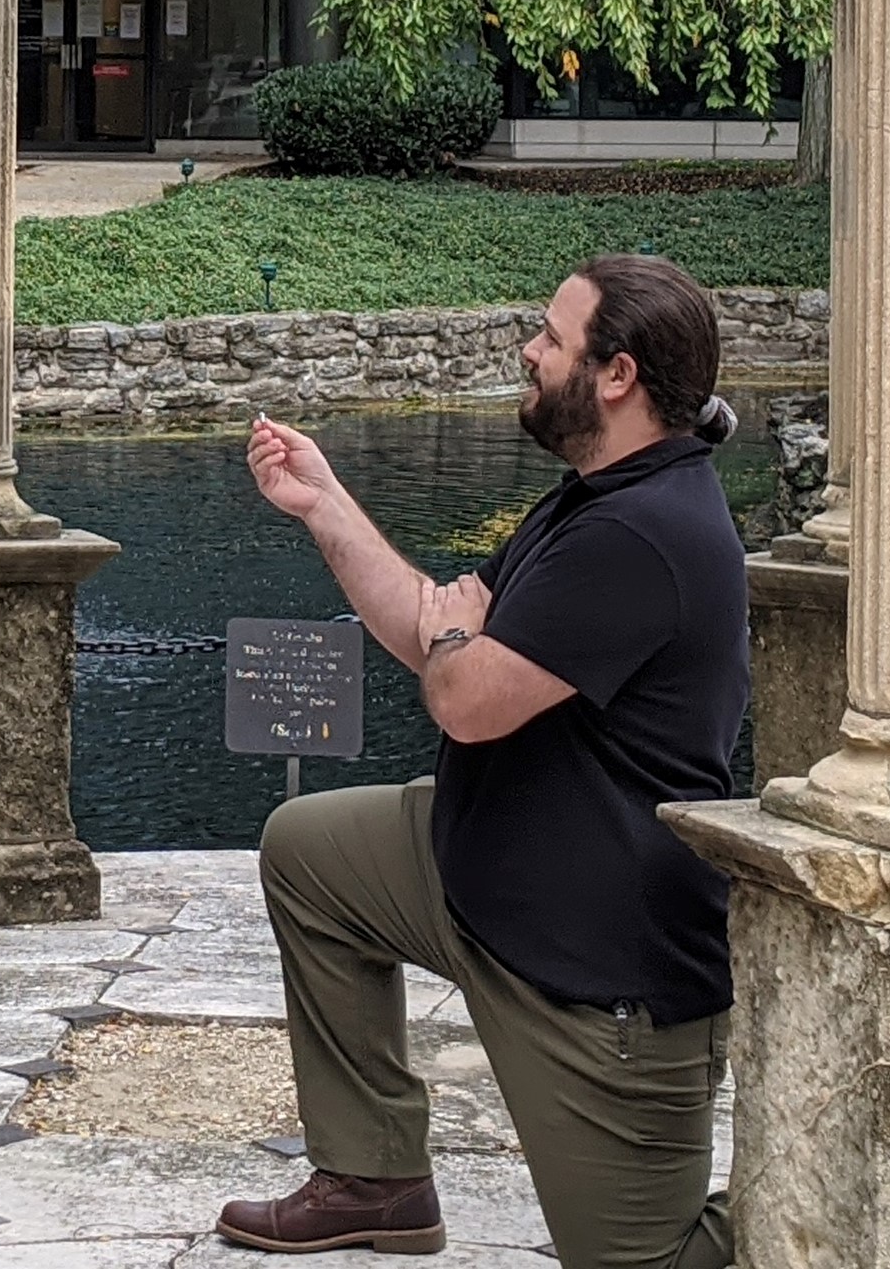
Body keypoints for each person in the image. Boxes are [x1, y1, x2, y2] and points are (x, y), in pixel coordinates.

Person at [217, 253, 748, 1269]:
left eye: (550, 337)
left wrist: (458, 640)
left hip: (593, 965)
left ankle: (855, 1211)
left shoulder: (645, 533)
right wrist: (324, 503)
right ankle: (374, 1178)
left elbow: (462, 697)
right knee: (309, 852)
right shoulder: (594, 495)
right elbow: (439, 631)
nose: (528, 350)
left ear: (616, 374)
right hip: (479, 873)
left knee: (650, 1262)